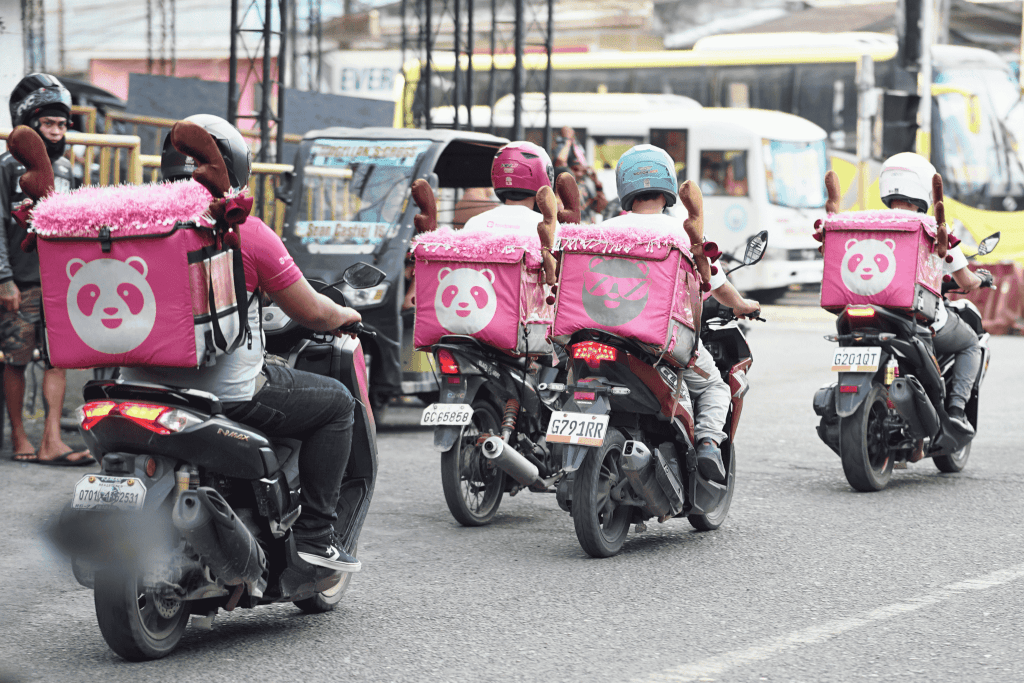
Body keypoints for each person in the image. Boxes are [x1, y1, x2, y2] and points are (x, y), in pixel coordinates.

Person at [121, 114, 363, 572]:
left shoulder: (133, 227)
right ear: (234, 165)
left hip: (136, 389)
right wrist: (347, 314)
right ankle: (315, 536)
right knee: (337, 404)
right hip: (226, 395)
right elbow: (312, 313)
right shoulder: (241, 229)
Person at [601, 145, 760, 483]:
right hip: (662, 339)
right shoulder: (681, 233)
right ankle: (706, 444)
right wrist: (743, 305)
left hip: (603, 332)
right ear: (669, 186)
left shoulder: (604, 231)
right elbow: (716, 284)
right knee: (715, 385)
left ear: (624, 187)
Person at [0, 74, 92, 466]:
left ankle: (51, 439)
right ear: (28, 122)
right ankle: (20, 436)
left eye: (61, 124)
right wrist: (3, 279)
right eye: (47, 123)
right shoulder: (6, 167)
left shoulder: (70, 170)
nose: (55, 132)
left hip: (61, 283)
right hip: (19, 284)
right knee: (15, 358)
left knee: (58, 360)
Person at [878, 152, 981, 435]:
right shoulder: (935, 229)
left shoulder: (870, 224)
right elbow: (966, 280)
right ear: (925, 186)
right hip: (918, 320)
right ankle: (957, 410)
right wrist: (979, 281)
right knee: (970, 343)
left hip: (875, 316)